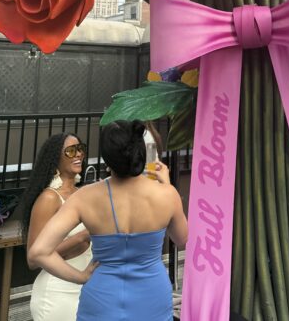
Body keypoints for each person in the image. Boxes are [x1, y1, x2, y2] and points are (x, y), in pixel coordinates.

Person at [29, 120, 188, 321]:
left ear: (107, 158)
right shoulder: (167, 194)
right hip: (152, 296)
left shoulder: (84, 196)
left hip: (102, 298)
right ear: (141, 153)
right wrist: (166, 185)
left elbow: (38, 253)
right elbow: (182, 239)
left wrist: (80, 276)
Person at [22, 133, 92, 321]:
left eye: (80, 149)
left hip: (85, 289)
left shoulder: (83, 193)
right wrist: (81, 237)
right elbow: (33, 260)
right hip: (57, 293)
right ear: (55, 158)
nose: (78, 154)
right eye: (70, 151)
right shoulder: (49, 198)